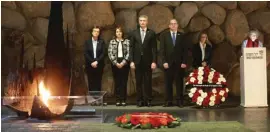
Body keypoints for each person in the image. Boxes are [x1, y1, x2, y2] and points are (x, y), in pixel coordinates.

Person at [129, 15, 157, 107]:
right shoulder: (134, 33)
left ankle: (148, 100)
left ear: (147, 22)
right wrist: (131, 61)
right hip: (137, 61)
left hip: (148, 61)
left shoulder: (151, 33)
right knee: (138, 81)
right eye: (140, 21)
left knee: (148, 81)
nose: (142, 22)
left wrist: (154, 61)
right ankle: (139, 100)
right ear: (138, 22)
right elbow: (131, 48)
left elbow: (154, 48)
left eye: (144, 20)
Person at [160, 19, 188, 107]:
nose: (173, 25)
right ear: (169, 26)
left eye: (175, 24)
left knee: (179, 83)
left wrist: (184, 62)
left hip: (179, 64)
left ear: (177, 25)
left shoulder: (182, 36)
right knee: (168, 83)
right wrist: (164, 61)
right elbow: (162, 50)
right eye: (171, 24)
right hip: (168, 64)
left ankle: (180, 101)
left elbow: (185, 50)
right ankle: (168, 101)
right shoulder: (164, 36)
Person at [108, 26, 131, 106]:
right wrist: (116, 63)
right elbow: (110, 53)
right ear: (115, 33)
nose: (119, 33)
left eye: (120, 32)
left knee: (124, 82)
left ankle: (123, 99)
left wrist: (123, 62)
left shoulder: (127, 41)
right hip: (115, 64)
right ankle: (118, 100)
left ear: (122, 33)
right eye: (117, 32)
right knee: (117, 82)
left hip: (124, 64)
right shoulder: (112, 42)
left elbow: (129, 52)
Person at [84, 26, 105, 102]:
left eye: (97, 31)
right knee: (91, 82)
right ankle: (92, 100)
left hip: (99, 65)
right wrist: (92, 62)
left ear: (99, 33)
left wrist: (97, 61)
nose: (96, 33)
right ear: (92, 32)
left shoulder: (102, 42)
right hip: (90, 65)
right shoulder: (87, 42)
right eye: (95, 31)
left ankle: (98, 100)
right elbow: (86, 53)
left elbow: (103, 53)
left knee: (98, 82)